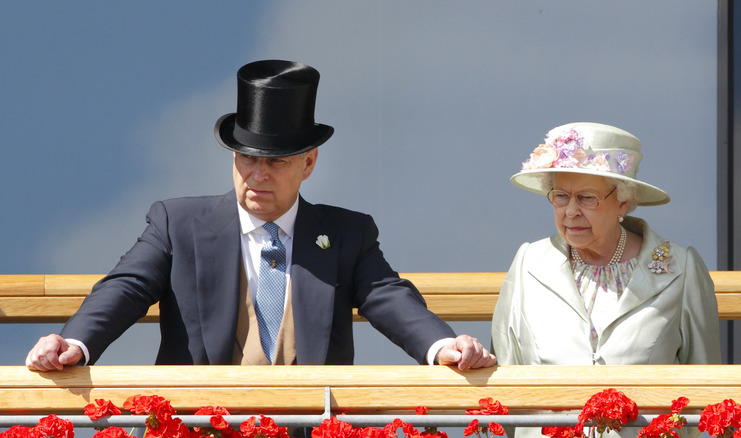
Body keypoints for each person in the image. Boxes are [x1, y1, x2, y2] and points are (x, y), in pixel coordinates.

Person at [26, 59, 496, 372]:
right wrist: (76, 345)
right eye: (246, 158)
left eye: (276, 161)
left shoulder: (346, 233)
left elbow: (388, 297)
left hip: (309, 423)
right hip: (201, 424)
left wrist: (442, 348)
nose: (257, 174)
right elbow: (126, 287)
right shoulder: (178, 223)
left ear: (308, 163)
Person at [491, 122, 720, 435]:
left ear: (623, 202)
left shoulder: (679, 266)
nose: (570, 211)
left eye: (586, 198)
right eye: (560, 196)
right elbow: (503, 381)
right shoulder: (528, 262)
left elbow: (706, 391)